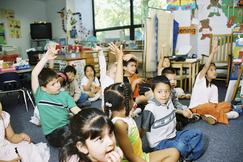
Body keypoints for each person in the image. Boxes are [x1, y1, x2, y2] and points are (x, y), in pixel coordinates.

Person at [104, 82, 180, 162]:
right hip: (134, 159)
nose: (134, 101)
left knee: (174, 152)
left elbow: (134, 136)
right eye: (132, 98)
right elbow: (130, 156)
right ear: (126, 102)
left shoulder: (124, 116)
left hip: (140, 156)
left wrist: (143, 129)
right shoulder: (119, 124)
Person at [141, 76, 205, 161]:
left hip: (174, 135)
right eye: (159, 92)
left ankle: (186, 158)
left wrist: (183, 112)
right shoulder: (150, 109)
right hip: (159, 143)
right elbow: (143, 129)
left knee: (198, 133)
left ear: (170, 91)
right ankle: (181, 154)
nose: (164, 95)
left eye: (167, 91)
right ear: (153, 92)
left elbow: (173, 110)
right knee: (181, 145)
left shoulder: (169, 100)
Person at [31, 43, 81, 147]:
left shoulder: (65, 95)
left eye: (57, 82)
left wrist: (90, 118)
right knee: (75, 136)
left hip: (66, 126)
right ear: (44, 87)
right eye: (53, 84)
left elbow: (76, 110)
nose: (58, 85)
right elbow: (34, 74)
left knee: (80, 128)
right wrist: (46, 57)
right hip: (52, 134)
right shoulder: (40, 94)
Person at [189, 38, 239, 124]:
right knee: (209, 107)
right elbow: (206, 66)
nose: (214, 72)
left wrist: (216, 106)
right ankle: (225, 116)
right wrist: (213, 52)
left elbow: (214, 104)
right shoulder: (200, 79)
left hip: (209, 107)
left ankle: (208, 115)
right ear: (205, 73)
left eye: (215, 69)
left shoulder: (214, 87)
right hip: (196, 108)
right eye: (211, 70)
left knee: (227, 105)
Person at [96, 43, 123, 109]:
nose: (116, 73)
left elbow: (120, 70)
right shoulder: (104, 78)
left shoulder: (118, 81)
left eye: (117, 72)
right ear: (108, 72)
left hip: (116, 105)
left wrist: (119, 57)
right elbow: (102, 65)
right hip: (106, 106)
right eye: (114, 72)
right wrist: (100, 52)